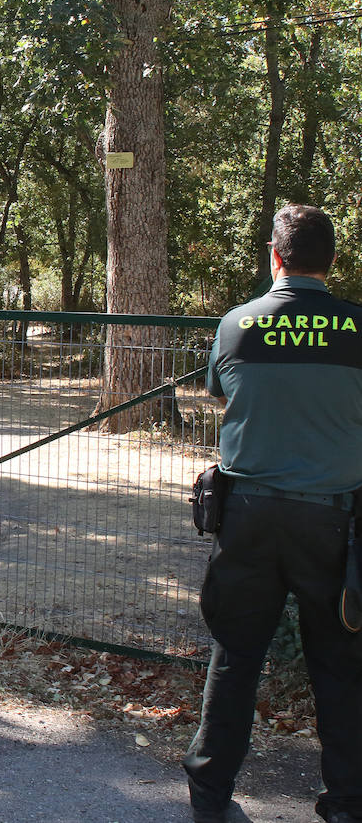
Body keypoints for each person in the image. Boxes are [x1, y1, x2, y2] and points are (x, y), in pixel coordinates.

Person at [184, 204, 362, 823]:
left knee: (235, 656)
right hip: (333, 523)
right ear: (332, 261)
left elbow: (223, 392)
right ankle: (346, 803)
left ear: (274, 255)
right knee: (340, 666)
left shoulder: (236, 326)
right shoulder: (358, 328)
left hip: (249, 519)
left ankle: (209, 798)